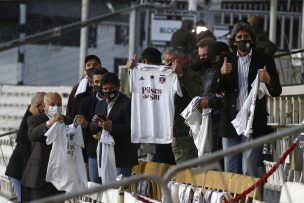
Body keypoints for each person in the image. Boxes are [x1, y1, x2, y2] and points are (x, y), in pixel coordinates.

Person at [219, 21, 282, 177]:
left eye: (246, 36)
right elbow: (216, 90)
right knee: (230, 172)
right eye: (239, 37)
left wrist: (268, 80)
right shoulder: (227, 60)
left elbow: (277, 91)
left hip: (253, 123)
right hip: (230, 122)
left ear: (252, 40)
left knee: (250, 171)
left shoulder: (264, 59)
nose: (243, 40)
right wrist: (221, 74)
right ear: (234, 41)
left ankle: (248, 201)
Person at [21, 92, 87, 201]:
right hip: (40, 175)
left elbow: (81, 140)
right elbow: (33, 135)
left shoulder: (69, 121)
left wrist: (85, 126)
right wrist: (49, 123)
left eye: (59, 104)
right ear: (44, 106)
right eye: (52, 104)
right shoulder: (35, 119)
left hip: (62, 176)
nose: (56, 107)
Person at [92, 72, 138, 177]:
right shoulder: (100, 104)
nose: (108, 92)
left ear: (118, 87)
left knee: (120, 190)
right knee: (106, 190)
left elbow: (132, 128)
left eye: (111, 88)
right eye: (105, 89)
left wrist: (112, 126)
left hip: (122, 157)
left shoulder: (127, 103)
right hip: (105, 156)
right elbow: (94, 129)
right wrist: (95, 124)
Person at [5, 92, 46, 202]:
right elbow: (25, 149)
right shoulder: (30, 120)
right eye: (45, 105)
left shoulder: (31, 117)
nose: (47, 108)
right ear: (39, 105)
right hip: (19, 172)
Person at [171, 48, 202, 164]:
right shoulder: (166, 76)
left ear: (183, 60)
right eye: (167, 62)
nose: (170, 65)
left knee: (186, 173)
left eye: (173, 61)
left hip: (186, 132)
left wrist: (181, 75)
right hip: (172, 133)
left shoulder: (192, 76)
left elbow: (196, 94)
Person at [79, 67, 108, 183]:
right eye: (96, 82)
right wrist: (88, 127)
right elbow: (80, 126)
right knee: (95, 186)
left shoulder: (118, 100)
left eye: (102, 81)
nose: (100, 85)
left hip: (112, 151)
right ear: (91, 83)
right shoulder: (85, 103)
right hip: (93, 151)